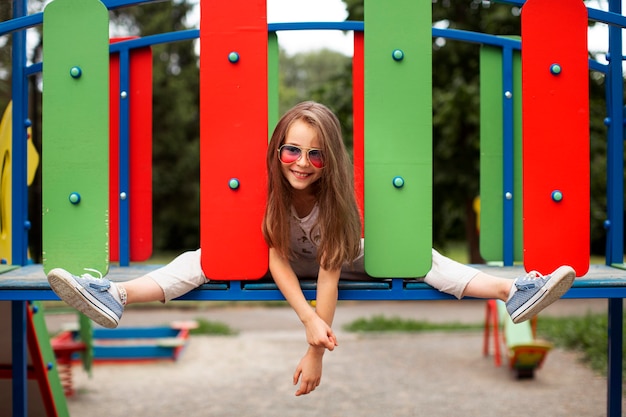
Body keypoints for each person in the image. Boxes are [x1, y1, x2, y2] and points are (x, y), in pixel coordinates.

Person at [47, 101, 575, 396]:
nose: (301, 162)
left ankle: (514, 290)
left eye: (315, 155)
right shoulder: (271, 191)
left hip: (345, 257)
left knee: (421, 258)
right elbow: (276, 257)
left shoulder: (337, 204)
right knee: (203, 259)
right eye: (292, 150)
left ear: (331, 161)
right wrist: (305, 320)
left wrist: (314, 349)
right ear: (278, 149)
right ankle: (113, 294)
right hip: (279, 259)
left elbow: (329, 273)